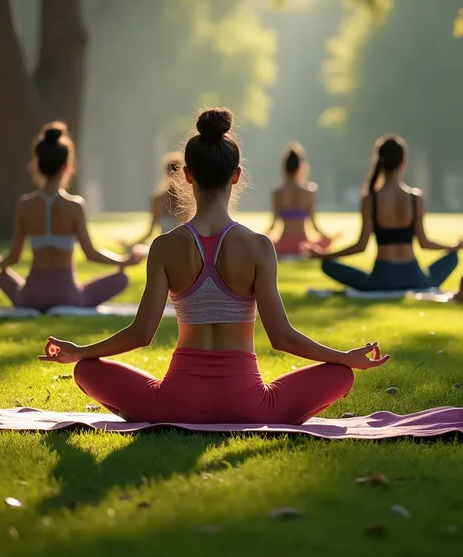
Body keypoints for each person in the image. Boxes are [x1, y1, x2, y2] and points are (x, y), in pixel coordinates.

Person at [40, 108, 389, 425]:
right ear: (236, 176)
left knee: (86, 370)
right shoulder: (258, 247)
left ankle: (133, 399)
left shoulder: (165, 247)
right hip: (250, 406)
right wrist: (344, 357)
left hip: (174, 404)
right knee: (341, 375)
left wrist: (81, 352)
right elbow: (282, 338)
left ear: (188, 176)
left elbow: (141, 334)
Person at [0, 122, 143, 311]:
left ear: (37, 165)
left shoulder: (25, 205)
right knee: (121, 278)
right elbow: (91, 253)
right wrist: (123, 261)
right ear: (66, 166)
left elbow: (14, 257)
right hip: (67, 296)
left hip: (30, 296)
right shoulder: (74, 206)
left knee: (2, 275)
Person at [315, 135, 460, 293]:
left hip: (382, 278)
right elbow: (424, 242)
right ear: (403, 163)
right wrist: (453, 247)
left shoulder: (371, 199)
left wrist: (325, 255)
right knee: (452, 258)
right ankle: (428, 279)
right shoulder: (415, 198)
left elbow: (361, 245)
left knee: (327, 265)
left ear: (379, 162)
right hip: (414, 277)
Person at [267, 143, 334, 258]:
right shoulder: (309, 191)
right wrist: (329, 237)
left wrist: (258, 238)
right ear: (301, 166)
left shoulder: (278, 191)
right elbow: (314, 224)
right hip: (302, 245)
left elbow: (273, 225)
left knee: (266, 245)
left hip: (283, 244)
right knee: (325, 243)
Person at [121, 152, 181, 252]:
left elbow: (150, 233)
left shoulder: (188, 201)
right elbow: (150, 232)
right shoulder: (159, 199)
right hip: (169, 247)